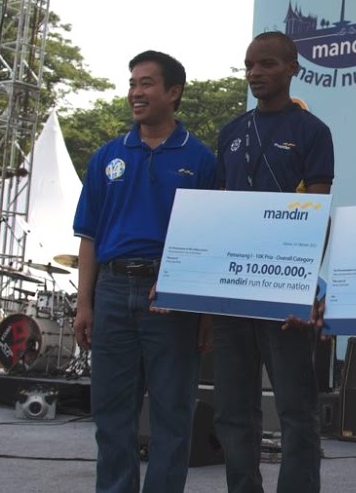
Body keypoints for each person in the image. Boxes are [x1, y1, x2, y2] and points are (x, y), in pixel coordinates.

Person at [73, 50, 216, 493]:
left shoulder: (201, 158)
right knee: (112, 414)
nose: (136, 92)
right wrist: (83, 304)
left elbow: (210, 239)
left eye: (147, 83)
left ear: (173, 92)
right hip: (112, 290)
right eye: (132, 83)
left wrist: (203, 309)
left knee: (173, 414)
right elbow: (89, 237)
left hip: (171, 294)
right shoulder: (107, 156)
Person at [212, 31, 333, 493]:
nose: (255, 73)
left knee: (296, 409)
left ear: (292, 69)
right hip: (233, 291)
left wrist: (303, 286)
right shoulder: (231, 132)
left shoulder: (312, 131)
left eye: (266, 64)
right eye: (249, 65)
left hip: (283, 290)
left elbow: (317, 213)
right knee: (232, 409)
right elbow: (219, 210)